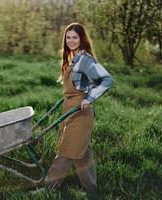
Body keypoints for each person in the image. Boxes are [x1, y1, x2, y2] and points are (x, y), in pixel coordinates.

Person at [41, 22, 114, 197]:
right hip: (71, 110)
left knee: (66, 151)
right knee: (82, 153)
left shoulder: (85, 59)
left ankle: (48, 189)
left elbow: (107, 80)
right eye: (68, 37)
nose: (71, 40)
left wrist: (89, 98)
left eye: (75, 37)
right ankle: (91, 190)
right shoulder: (74, 58)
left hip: (80, 114)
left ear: (81, 39)